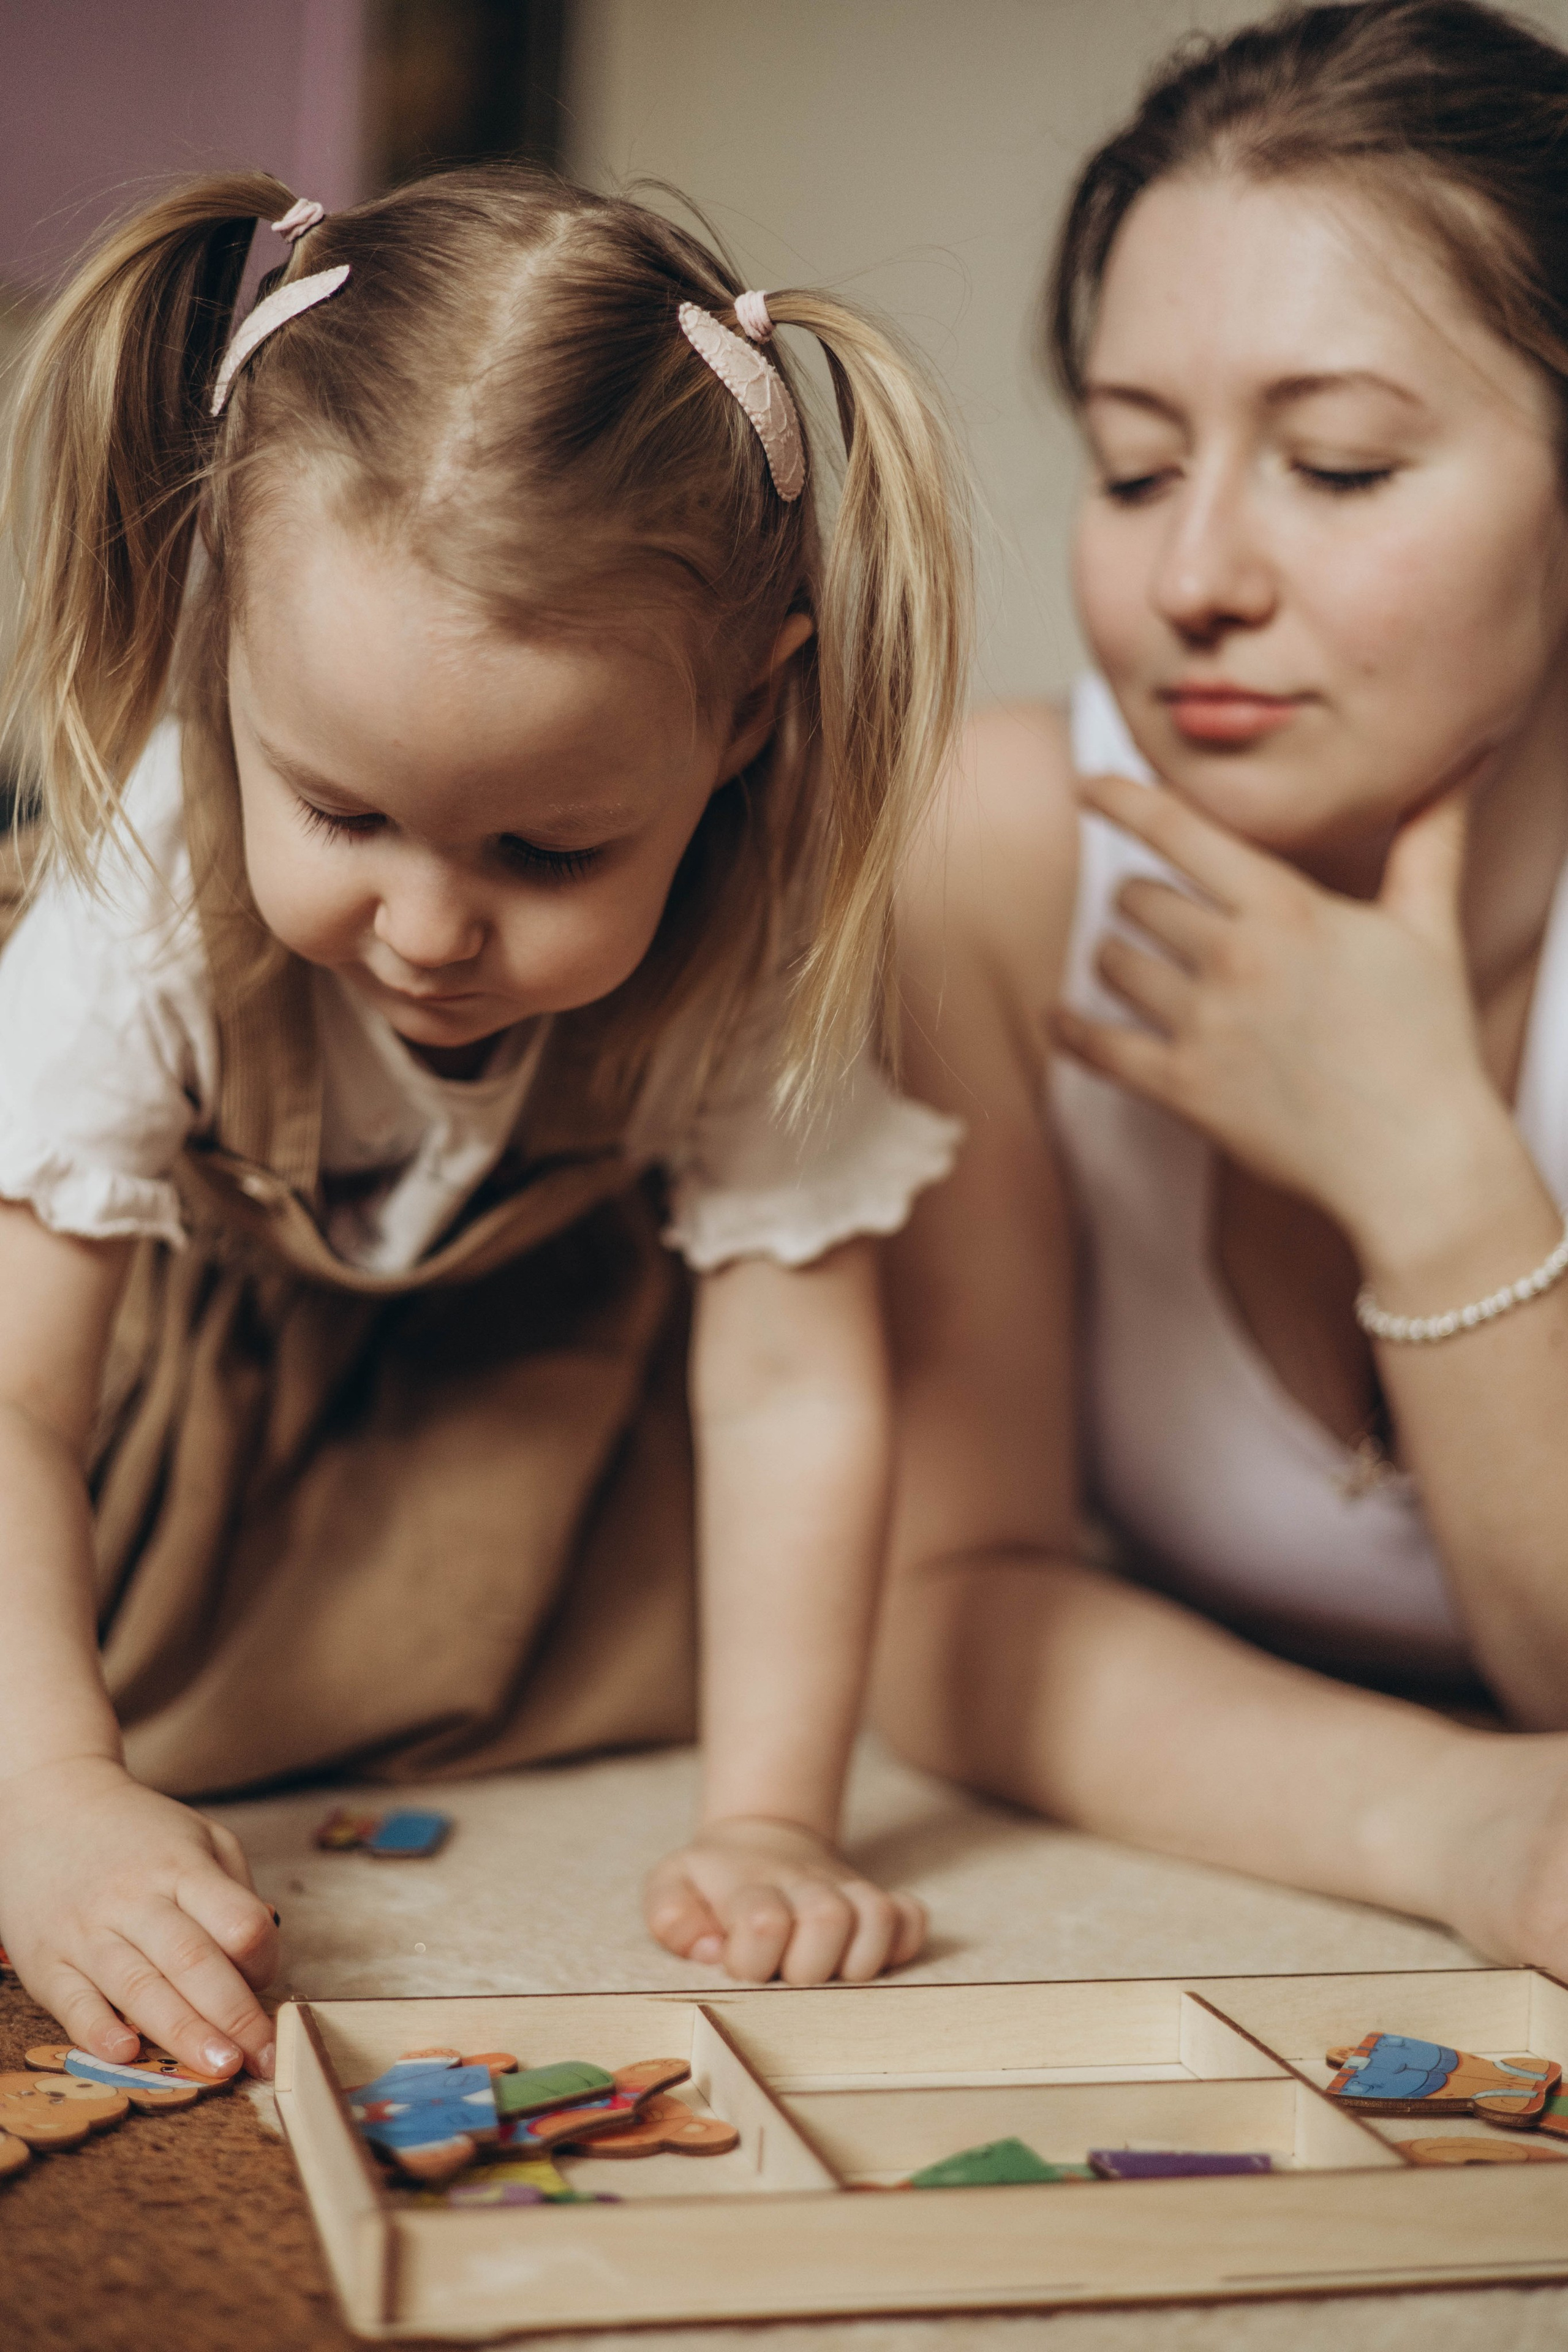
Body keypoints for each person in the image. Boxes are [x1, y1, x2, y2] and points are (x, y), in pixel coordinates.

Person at [0, 167, 971, 2083]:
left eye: (548, 849)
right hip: (144, 1496)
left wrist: (774, 1815)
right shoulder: (145, 884)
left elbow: (791, 1393)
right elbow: (15, 1401)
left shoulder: (762, 921)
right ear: (220, 645)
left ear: (745, 723)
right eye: (343, 816)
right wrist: (46, 1792)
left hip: (505, 1513)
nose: (432, 930)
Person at [878, 0, 1568, 1973]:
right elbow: (949, 1601)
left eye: (1338, 468)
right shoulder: (996, 861)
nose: (1196, 580)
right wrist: (1458, 1823)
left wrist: (1436, 1175)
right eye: (1133, 463)